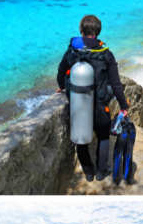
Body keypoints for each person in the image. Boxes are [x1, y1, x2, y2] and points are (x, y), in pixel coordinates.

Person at [56, 15, 130, 182]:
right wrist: (123, 106)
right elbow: (116, 84)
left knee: (80, 139)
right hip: (99, 105)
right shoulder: (105, 54)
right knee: (103, 137)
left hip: (78, 104)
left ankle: (88, 172)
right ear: (97, 32)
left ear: (81, 31)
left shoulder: (72, 51)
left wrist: (61, 86)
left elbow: (61, 72)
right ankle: (101, 172)